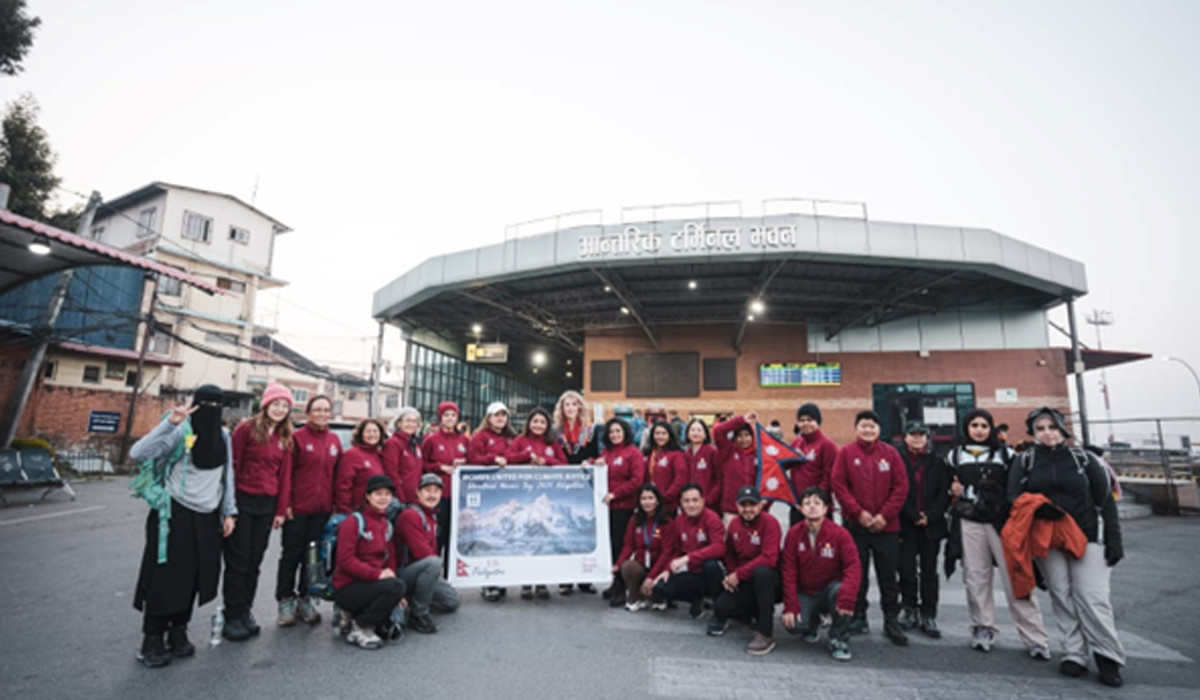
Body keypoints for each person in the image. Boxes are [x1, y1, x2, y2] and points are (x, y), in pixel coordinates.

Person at [1009, 407, 1125, 687]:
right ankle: (1075, 653)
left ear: (1062, 429)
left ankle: (1107, 656)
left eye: (1052, 427)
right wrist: (1038, 509)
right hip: (1047, 537)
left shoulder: (1084, 459)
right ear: (1033, 433)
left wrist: (1114, 539)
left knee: (1092, 597)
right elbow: (1013, 496)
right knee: (1061, 594)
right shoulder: (1025, 461)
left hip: (1087, 535)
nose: (1047, 433)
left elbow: (1105, 500)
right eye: (1040, 428)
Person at [128, 386, 237, 668]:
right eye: (205, 404)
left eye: (216, 405)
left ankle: (179, 629)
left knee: (193, 579)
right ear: (194, 404)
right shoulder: (180, 430)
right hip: (174, 514)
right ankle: (152, 638)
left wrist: (229, 512)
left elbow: (228, 476)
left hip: (208, 516)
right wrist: (171, 423)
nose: (210, 410)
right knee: (164, 579)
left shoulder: (223, 436)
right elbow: (138, 453)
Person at [947, 408, 1049, 657]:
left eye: (984, 425)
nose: (979, 430)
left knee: (1016, 576)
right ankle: (983, 627)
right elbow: (945, 484)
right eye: (974, 425)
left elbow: (1020, 485)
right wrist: (953, 490)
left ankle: (1034, 638)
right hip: (970, 519)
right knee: (976, 576)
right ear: (966, 428)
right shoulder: (955, 455)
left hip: (1002, 521)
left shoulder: (1007, 454)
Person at [829, 410, 909, 645]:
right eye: (864, 426)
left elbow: (901, 487)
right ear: (856, 429)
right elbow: (839, 485)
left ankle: (891, 620)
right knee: (857, 575)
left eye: (872, 426)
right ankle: (858, 617)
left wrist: (884, 516)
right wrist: (859, 514)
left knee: (888, 577)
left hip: (887, 528)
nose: (868, 430)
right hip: (856, 527)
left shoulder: (891, 454)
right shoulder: (846, 453)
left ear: (879, 429)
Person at [223, 383, 294, 642]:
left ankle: (245, 610)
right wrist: (229, 508)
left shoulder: (285, 436)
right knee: (238, 561)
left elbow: (284, 476)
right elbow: (232, 466)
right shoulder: (246, 429)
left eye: (285, 406)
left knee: (255, 561)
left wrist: (280, 510)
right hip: (243, 501)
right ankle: (231, 615)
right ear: (266, 405)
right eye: (276, 404)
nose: (280, 409)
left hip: (267, 505)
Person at [276, 395, 341, 628]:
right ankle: (285, 599)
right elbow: (286, 474)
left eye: (326, 410)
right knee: (291, 555)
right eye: (317, 409)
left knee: (312, 557)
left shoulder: (334, 440)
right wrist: (286, 504)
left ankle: (306, 598)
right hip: (297, 510)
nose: (322, 414)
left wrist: (335, 506)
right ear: (308, 413)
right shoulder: (297, 438)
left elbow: (337, 475)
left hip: (322, 510)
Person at [780, 486, 860, 662]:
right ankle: (812, 622)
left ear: (825, 509)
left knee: (841, 592)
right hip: (806, 591)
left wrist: (847, 598)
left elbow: (853, 567)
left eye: (817, 503)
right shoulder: (793, 534)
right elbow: (788, 570)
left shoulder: (840, 534)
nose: (812, 507)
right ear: (801, 509)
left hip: (830, 589)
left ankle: (838, 638)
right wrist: (791, 605)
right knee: (793, 625)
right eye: (807, 503)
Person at [331, 474, 407, 650]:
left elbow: (390, 559)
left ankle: (352, 616)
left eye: (387, 494)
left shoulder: (386, 525)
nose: (383, 498)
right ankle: (360, 627)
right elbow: (345, 560)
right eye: (378, 493)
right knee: (395, 587)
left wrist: (397, 593)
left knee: (390, 621)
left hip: (371, 585)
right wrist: (377, 575)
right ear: (367, 496)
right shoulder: (353, 522)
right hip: (347, 586)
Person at [710, 486, 782, 655]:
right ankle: (751, 614)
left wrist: (738, 574)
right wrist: (732, 575)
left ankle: (765, 633)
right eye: (743, 505)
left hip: (769, 580)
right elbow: (729, 553)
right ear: (737, 506)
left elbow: (769, 558)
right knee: (721, 606)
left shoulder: (770, 523)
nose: (748, 509)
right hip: (745, 579)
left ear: (760, 505)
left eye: (752, 505)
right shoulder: (735, 524)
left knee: (761, 573)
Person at [504, 406, 567, 600]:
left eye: (542, 422)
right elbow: (508, 458)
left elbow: (564, 464)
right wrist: (526, 457)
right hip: (525, 496)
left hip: (545, 496)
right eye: (535, 421)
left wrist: (546, 461)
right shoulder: (520, 441)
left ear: (547, 425)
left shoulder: (552, 443)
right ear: (529, 423)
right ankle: (526, 582)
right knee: (527, 540)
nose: (538, 425)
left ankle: (541, 582)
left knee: (543, 541)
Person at [896, 421, 950, 638]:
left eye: (921, 435)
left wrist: (930, 515)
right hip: (905, 523)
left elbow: (944, 493)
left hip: (931, 526)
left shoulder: (937, 462)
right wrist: (913, 515)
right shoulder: (898, 460)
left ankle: (929, 613)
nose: (917, 438)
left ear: (928, 438)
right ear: (905, 437)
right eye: (913, 434)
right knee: (906, 569)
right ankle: (909, 608)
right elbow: (896, 490)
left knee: (929, 571)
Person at [395, 473, 462, 633]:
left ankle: (412, 599)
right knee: (434, 562)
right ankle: (419, 614)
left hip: (422, 571)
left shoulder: (431, 515)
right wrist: (436, 569)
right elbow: (421, 553)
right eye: (427, 490)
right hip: (403, 573)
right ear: (418, 492)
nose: (432, 495)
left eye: (436, 491)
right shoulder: (411, 515)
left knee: (452, 601)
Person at [648, 483, 726, 619]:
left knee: (710, 566)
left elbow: (719, 547)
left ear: (703, 500)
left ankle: (719, 609)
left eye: (695, 500)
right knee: (661, 586)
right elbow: (676, 550)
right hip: (693, 573)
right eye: (687, 501)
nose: (691, 505)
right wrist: (667, 570)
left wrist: (688, 558)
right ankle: (697, 598)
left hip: (714, 572)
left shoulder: (712, 518)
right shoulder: (679, 520)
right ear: (681, 503)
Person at [553, 390, 604, 595]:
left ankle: (585, 578)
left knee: (584, 532)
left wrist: (590, 461)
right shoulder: (555, 432)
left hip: (585, 485)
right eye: (567, 405)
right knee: (564, 532)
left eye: (574, 404)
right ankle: (565, 579)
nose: (570, 408)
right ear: (562, 408)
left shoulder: (591, 430)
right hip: (563, 485)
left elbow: (598, 454)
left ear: (580, 407)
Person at [597, 417, 647, 605]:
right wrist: (590, 463)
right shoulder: (606, 452)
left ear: (625, 432)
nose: (614, 435)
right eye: (611, 432)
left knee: (620, 547)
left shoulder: (633, 453)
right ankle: (614, 583)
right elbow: (598, 467)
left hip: (624, 508)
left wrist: (616, 494)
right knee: (610, 547)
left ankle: (621, 587)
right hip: (607, 509)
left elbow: (637, 480)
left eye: (618, 431)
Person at [469, 401, 515, 601]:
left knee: (505, 538)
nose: (500, 418)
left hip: (506, 490)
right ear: (488, 418)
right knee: (489, 537)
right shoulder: (480, 437)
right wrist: (493, 459)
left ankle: (501, 578)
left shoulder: (511, 437)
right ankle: (488, 582)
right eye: (496, 415)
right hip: (487, 491)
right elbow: (472, 458)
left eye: (503, 415)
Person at [422, 401, 468, 570]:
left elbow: (472, 461)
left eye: (453, 415)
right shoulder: (431, 440)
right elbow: (423, 464)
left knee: (454, 537)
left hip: (459, 496)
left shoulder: (464, 440)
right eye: (446, 415)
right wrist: (440, 467)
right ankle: (433, 571)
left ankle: (451, 573)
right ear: (441, 418)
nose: (450, 418)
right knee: (438, 536)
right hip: (439, 496)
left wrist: (464, 462)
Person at [614, 484, 674, 611]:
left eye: (651, 498)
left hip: (659, 567)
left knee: (658, 592)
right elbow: (628, 545)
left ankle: (656, 596)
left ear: (657, 501)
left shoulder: (667, 522)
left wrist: (651, 576)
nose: (647, 502)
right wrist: (618, 565)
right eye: (643, 499)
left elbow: (667, 552)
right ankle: (635, 597)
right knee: (628, 566)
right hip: (641, 565)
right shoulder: (635, 520)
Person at [788, 403, 839, 528]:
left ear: (818, 422)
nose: (805, 423)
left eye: (810, 420)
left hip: (818, 507)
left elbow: (829, 477)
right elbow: (782, 467)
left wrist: (815, 501)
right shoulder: (796, 443)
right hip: (798, 506)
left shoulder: (827, 445)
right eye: (802, 420)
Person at [333, 418, 388, 514]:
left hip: (376, 511)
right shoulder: (351, 455)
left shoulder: (380, 455)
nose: (372, 434)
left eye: (375, 431)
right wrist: (346, 511)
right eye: (368, 431)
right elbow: (343, 485)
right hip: (357, 511)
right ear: (361, 434)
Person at [714, 411, 759, 523]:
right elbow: (718, 431)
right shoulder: (728, 452)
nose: (744, 439)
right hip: (732, 510)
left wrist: (764, 505)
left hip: (754, 510)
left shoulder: (760, 455)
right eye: (740, 436)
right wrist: (741, 420)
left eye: (747, 435)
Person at [644, 420, 687, 513]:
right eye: (657, 433)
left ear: (669, 435)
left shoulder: (676, 454)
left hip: (667, 504)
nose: (660, 436)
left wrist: (666, 496)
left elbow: (680, 479)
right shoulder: (648, 454)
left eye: (664, 433)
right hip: (648, 504)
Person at [383, 406, 424, 505]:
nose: (411, 424)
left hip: (414, 498)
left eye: (414, 421)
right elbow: (391, 473)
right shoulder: (393, 443)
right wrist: (400, 498)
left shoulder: (415, 445)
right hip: (400, 500)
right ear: (399, 423)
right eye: (408, 421)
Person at [681, 418, 721, 513]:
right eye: (692, 430)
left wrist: (709, 499)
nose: (695, 433)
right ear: (687, 434)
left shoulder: (712, 451)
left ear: (705, 434)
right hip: (690, 503)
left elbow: (719, 479)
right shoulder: (685, 453)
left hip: (709, 503)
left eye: (699, 430)